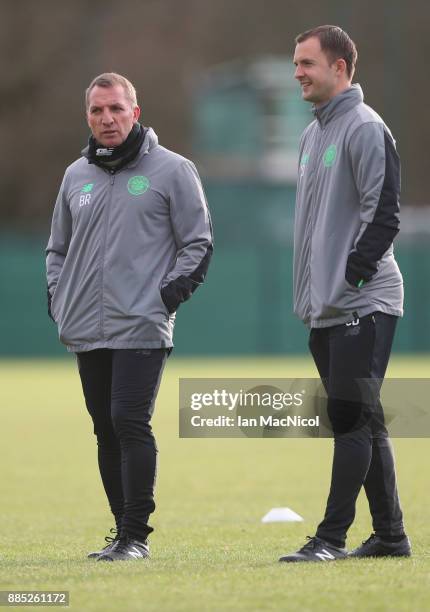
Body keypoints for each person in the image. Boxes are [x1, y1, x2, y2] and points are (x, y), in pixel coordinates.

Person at [46, 72, 213, 561]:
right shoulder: (75, 176)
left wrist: (167, 295)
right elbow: (57, 248)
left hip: (142, 322)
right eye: (98, 110)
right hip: (85, 325)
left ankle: (136, 536)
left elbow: (198, 241)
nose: (107, 118)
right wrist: (59, 296)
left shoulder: (173, 170)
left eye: (116, 108)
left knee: (128, 420)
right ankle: (121, 533)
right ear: (88, 117)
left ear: (135, 112)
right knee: (104, 426)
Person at [279, 26, 411, 563]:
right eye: (295, 64)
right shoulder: (312, 135)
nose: (297, 73)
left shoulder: (365, 127)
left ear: (340, 68)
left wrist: (351, 280)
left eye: (307, 63)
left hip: (362, 303)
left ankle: (330, 538)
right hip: (325, 309)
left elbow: (385, 216)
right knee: (366, 421)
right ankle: (391, 536)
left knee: (351, 421)